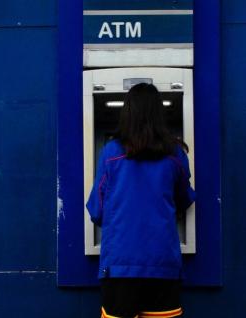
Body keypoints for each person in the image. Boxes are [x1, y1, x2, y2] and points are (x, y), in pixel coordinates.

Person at [86, 83, 196, 318]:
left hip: (120, 269)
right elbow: (184, 198)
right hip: (163, 267)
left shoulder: (111, 152)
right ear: (159, 113)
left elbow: (96, 210)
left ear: (127, 112)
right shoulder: (176, 154)